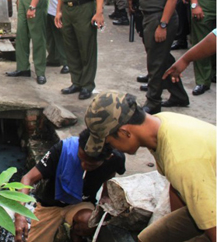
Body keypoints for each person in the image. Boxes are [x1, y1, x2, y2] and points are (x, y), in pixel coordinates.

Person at [84, 91, 216, 242]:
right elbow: (176, 188)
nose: (114, 149)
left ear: (124, 132)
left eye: (109, 143)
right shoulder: (159, 124)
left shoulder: (181, 159)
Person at [14, 129, 126, 242]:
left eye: (90, 164)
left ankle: (75, 235)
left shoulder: (115, 158)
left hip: (81, 203)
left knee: (87, 221)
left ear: (107, 158)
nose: (83, 165)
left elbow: (111, 173)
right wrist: (19, 214)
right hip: (50, 204)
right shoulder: (63, 150)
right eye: (81, 159)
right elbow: (28, 178)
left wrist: (105, 194)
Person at [138, 0, 189, 114]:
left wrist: (163, 25)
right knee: (163, 59)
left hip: (159, 18)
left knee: (156, 63)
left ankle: (152, 102)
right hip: (152, 17)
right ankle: (179, 96)